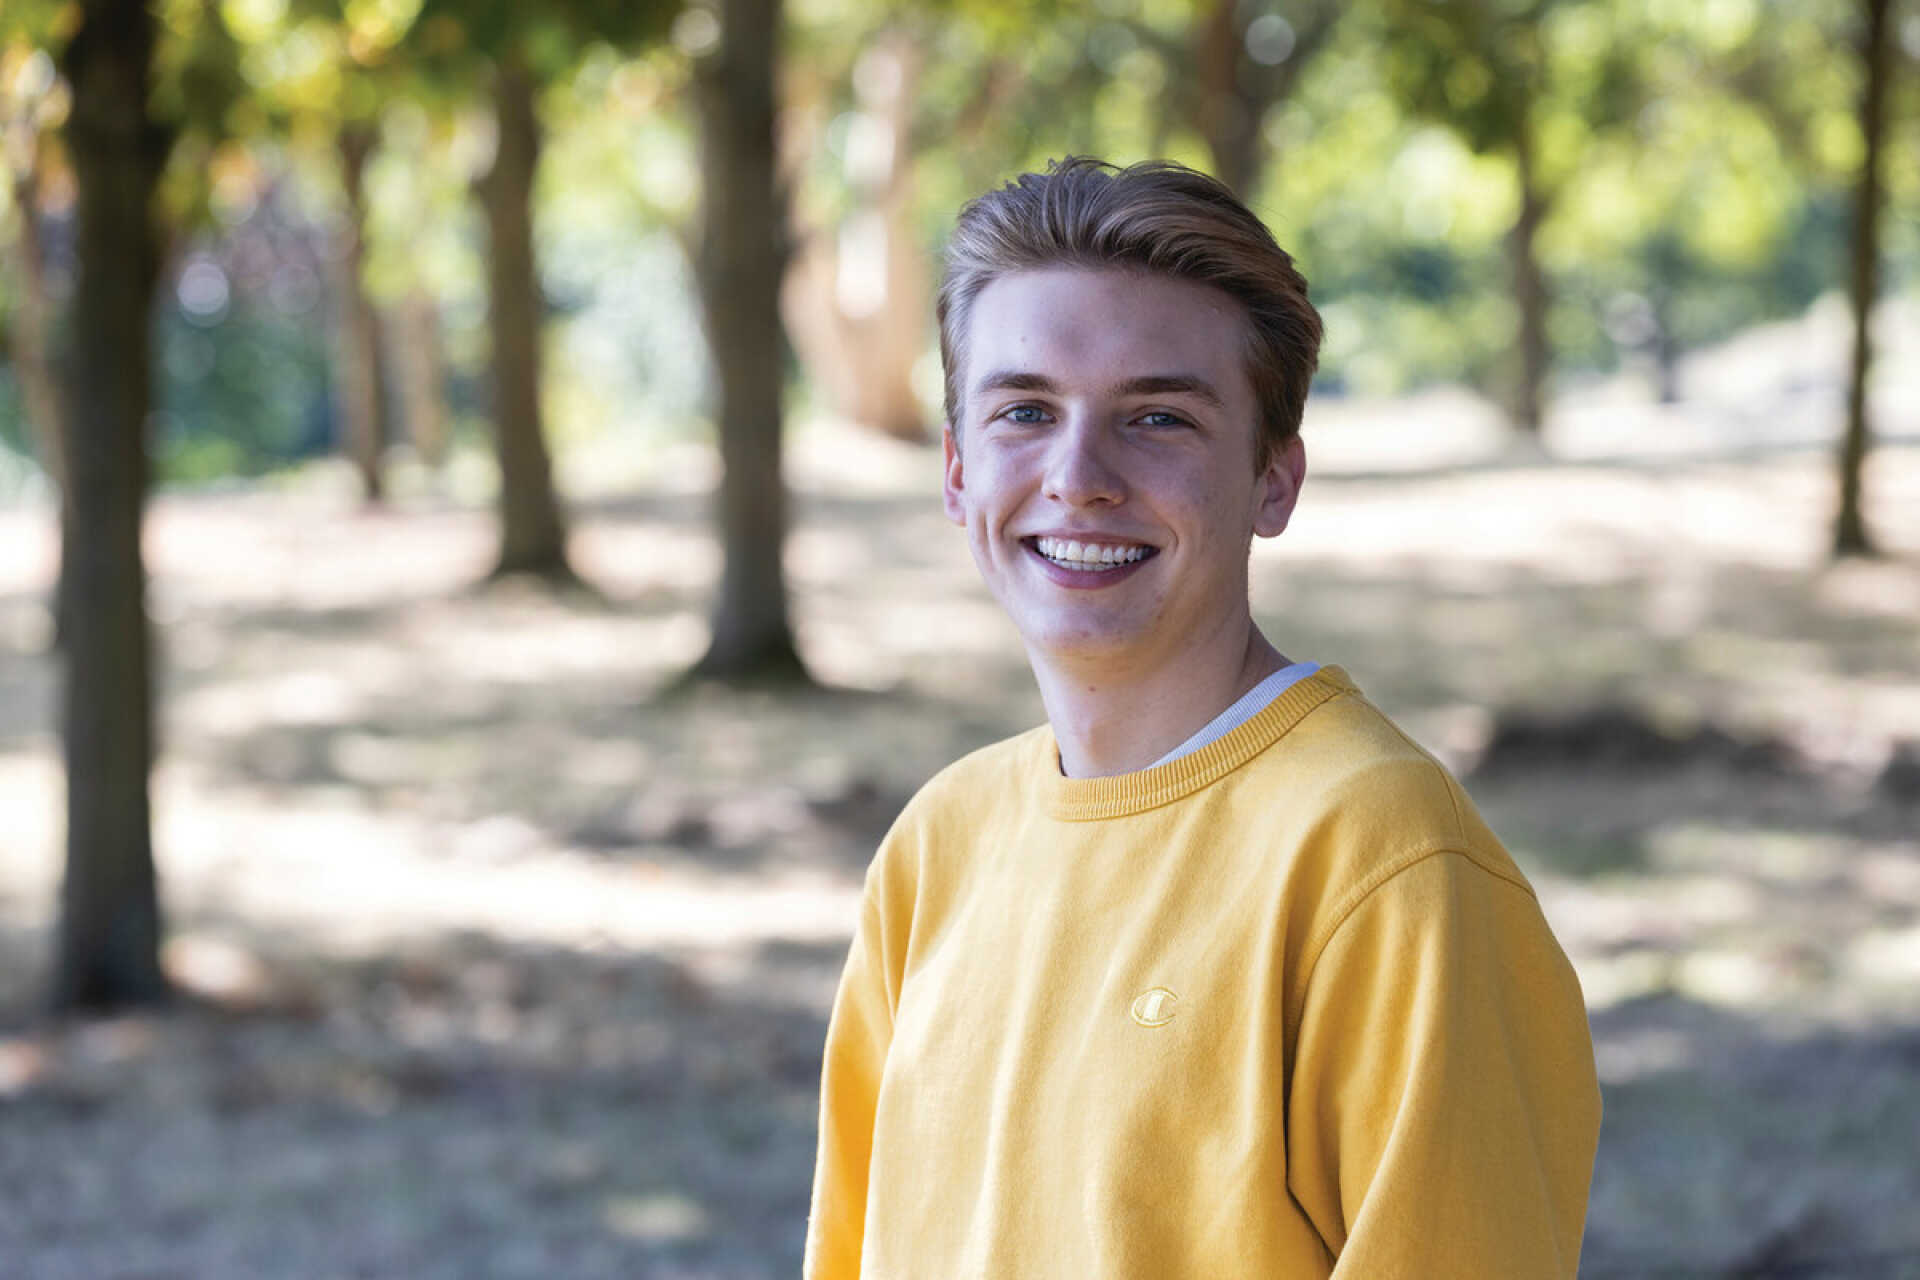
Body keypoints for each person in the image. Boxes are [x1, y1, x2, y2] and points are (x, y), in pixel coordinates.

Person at [804, 157, 1600, 1278]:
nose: (1079, 475)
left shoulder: (1385, 861)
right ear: (955, 469)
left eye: (1159, 418)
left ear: (1274, 478)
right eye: (1025, 410)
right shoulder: (937, 849)